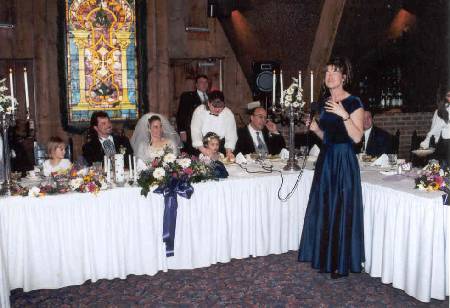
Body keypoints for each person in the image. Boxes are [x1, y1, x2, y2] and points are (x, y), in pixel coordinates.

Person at [298, 56, 365, 279]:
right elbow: (328, 136)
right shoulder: (326, 102)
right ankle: (324, 257)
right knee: (326, 207)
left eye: (335, 72)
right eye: (327, 72)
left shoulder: (354, 102)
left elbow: (356, 138)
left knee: (341, 208)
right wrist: (316, 128)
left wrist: (344, 115)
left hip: (344, 161)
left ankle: (340, 263)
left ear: (344, 77)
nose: (329, 76)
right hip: (327, 159)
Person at [190, 90, 237, 161]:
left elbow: (231, 134)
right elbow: (195, 131)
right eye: (214, 106)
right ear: (208, 103)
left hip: (219, 146)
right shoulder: (200, 111)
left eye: (220, 106)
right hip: (201, 146)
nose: (217, 109)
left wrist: (229, 152)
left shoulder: (228, 114)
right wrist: (204, 150)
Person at [176, 75, 209, 154]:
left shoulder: (211, 97)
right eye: (201, 82)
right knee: (193, 153)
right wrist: (182, 131)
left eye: (206, 82)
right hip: (191, 131)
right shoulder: (187, 96)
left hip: (207, 132)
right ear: (196, 85)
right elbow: (181, 114)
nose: (204, 84)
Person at [420, 90, 450, 167]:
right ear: (444, 97)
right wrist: (425, 144)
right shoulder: (442, 111)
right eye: (449, 96)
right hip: (447, 146)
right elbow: (434, 131)